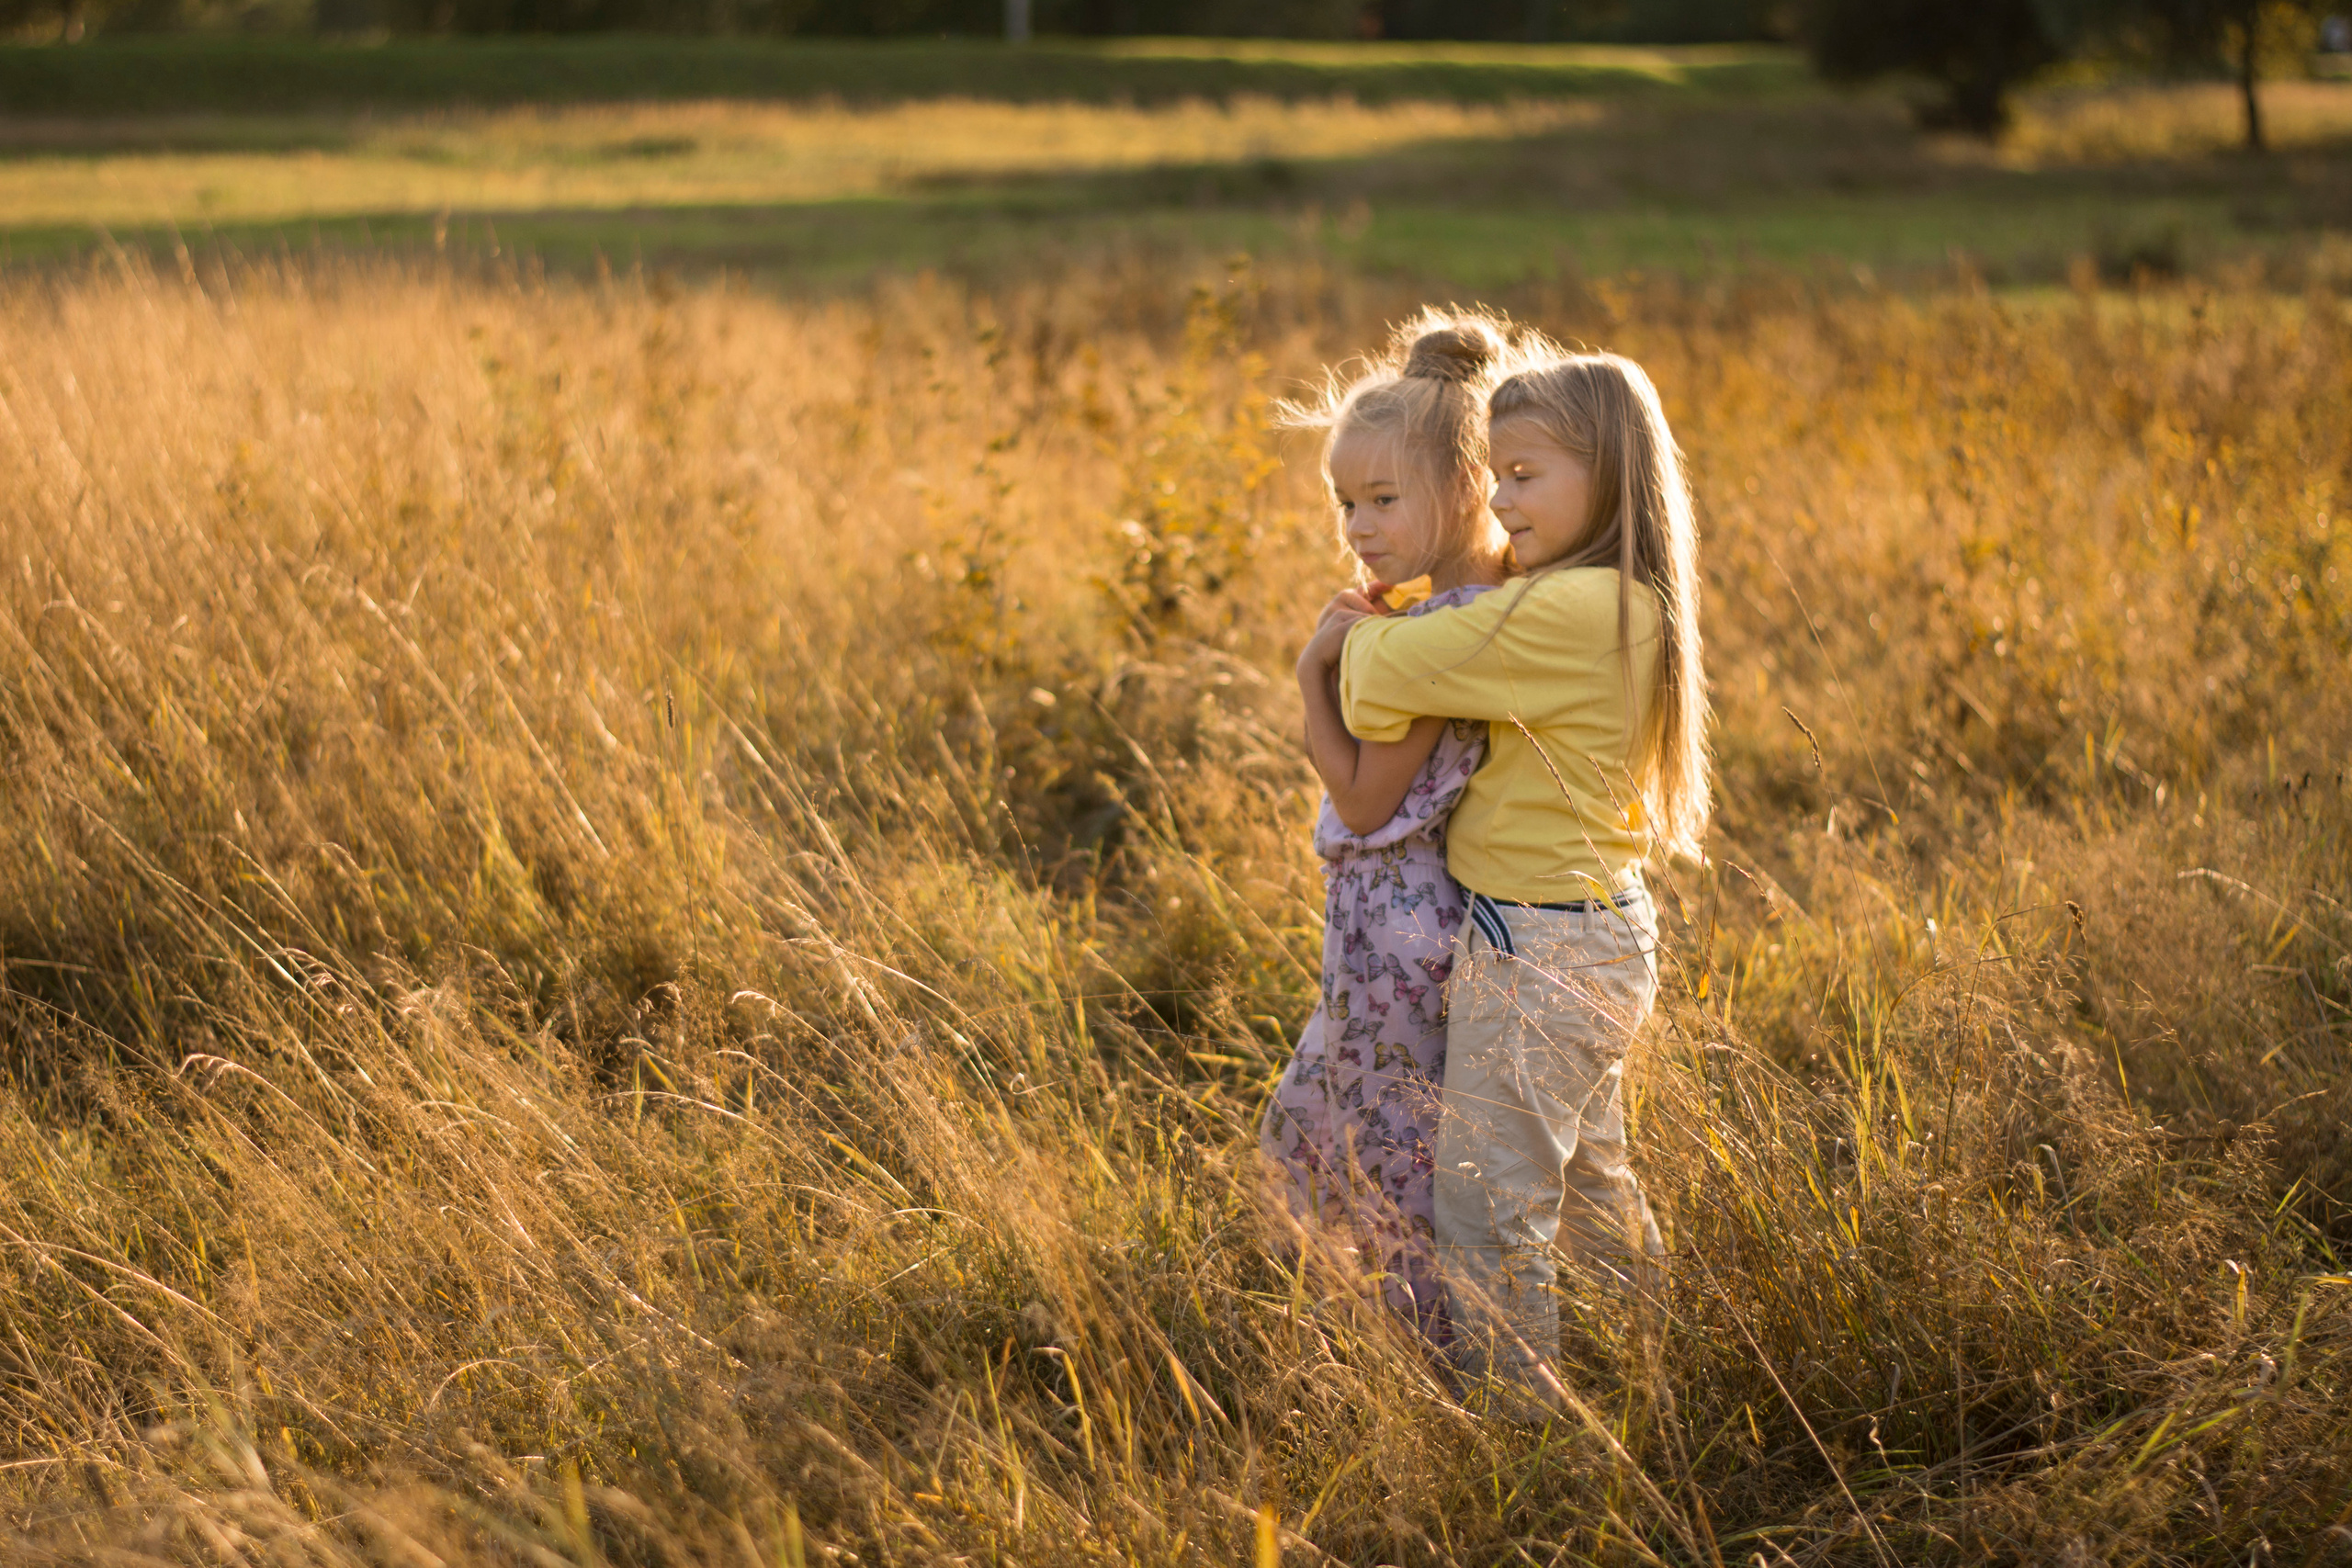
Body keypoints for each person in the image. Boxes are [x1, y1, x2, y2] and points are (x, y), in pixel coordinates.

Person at [1304, 352, 1711, 1407]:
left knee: (1488, 1210)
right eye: (1496, 472)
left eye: (1525, 474)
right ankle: (1646, 1379)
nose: (1500, 496)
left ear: (1608, 474)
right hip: (1574, 930)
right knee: (1584, 1188)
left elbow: (1386, 669)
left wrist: (1338, 644)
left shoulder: (1581, 611)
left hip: (1543, 945)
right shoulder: (1597, 602)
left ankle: (1526, 1436)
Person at [1260, 310, 1530, 1347]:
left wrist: (1312, 679)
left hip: (1401, 930)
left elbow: (1366, 804)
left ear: (1467, 484)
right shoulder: (1502, 598)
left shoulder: (1428, 639)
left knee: (1387, 1145)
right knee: (1369, 1127)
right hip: (1427, 922)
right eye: (1344, 503)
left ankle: (1422, 1346)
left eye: (1382, 498)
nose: (1358, 527)